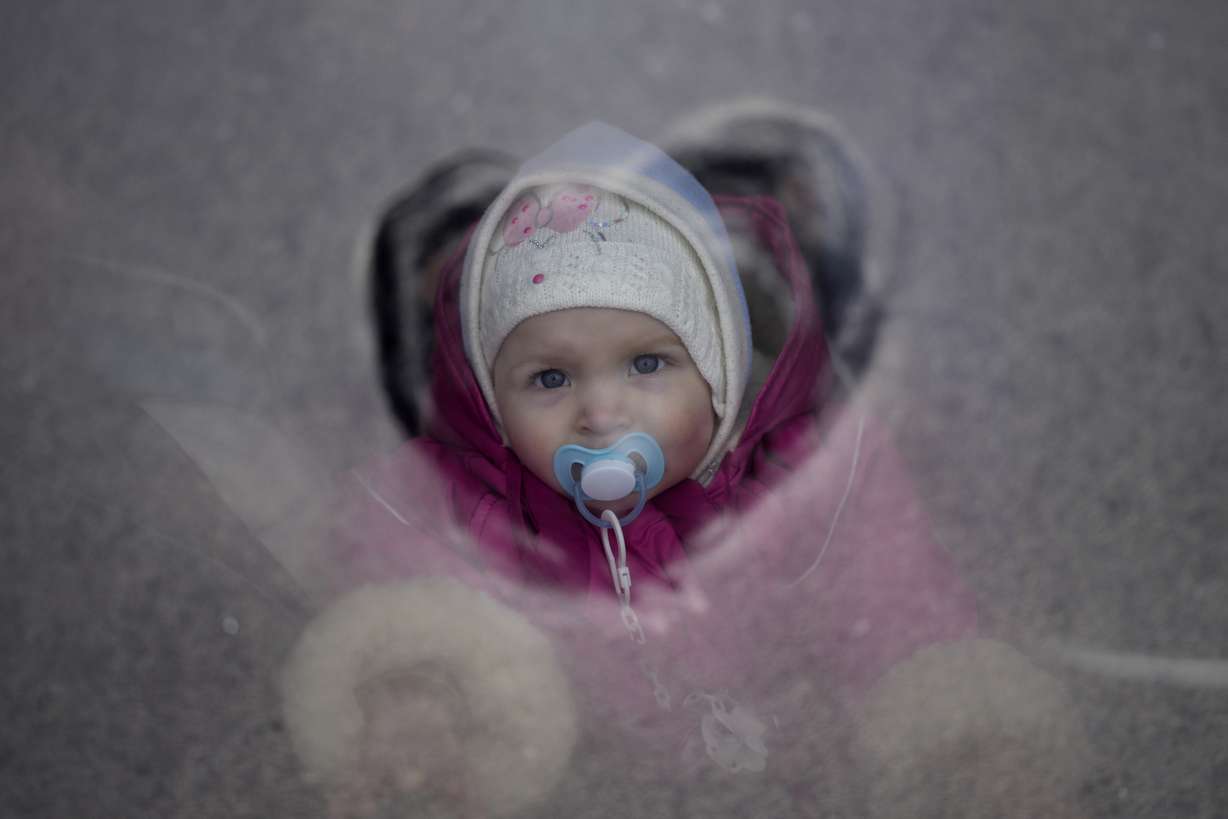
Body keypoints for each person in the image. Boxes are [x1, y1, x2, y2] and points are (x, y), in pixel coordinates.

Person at [284, 121, 1091, 817]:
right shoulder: (433, 508)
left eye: (648, 363)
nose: (604, 412)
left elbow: (902, 618)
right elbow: (399, 612)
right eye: (550, 377)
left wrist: (970, 744)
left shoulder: (815, 481)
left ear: (719, 365)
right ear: (484, 397)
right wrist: (416, 704)